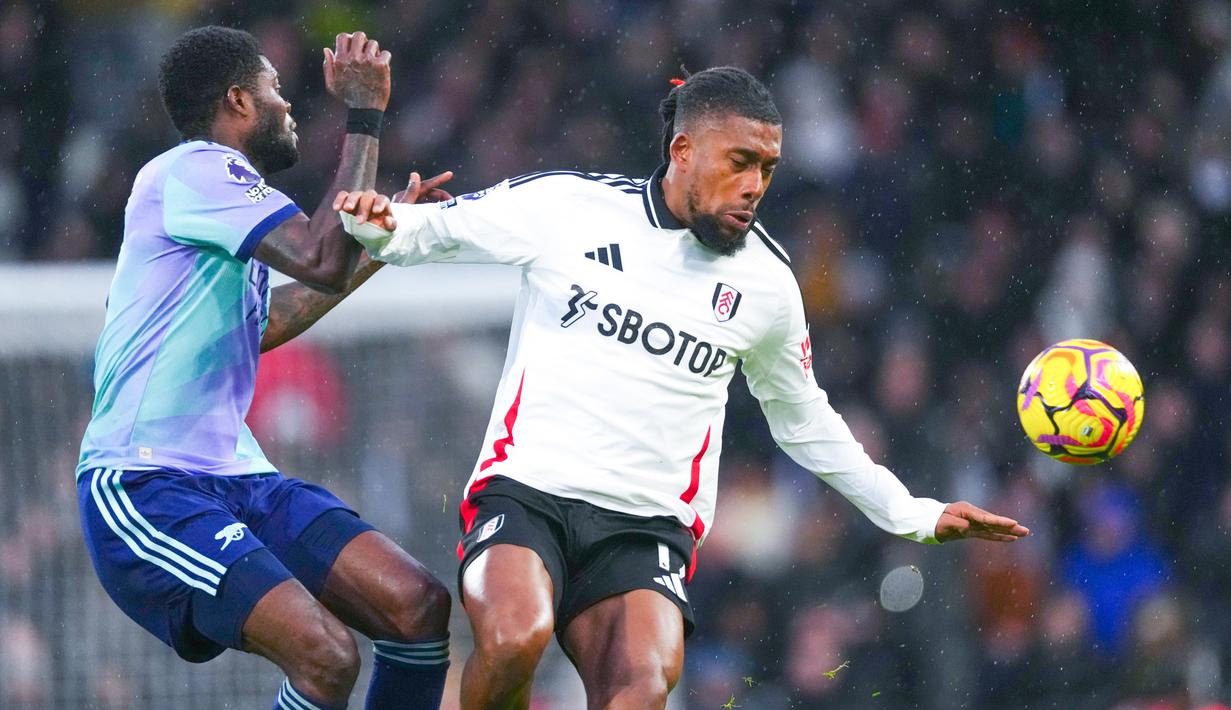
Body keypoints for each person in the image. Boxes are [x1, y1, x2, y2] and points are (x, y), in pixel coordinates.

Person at [335, 66, 1031, 709]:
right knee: (515, 636)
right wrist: (374, 215)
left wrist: (911, 513)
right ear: (683, 151)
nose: (755, 185)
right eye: (739, 163)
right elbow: (424, 231)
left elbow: (803, 421)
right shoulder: (568, 208)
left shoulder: (765, 285)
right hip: (528, 496)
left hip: (644, 532)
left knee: (643, 685)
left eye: (767, 168)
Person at [76, 26, 454, 710]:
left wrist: (381, 243)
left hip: (239, 478)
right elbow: (320, 258)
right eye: (276, 90)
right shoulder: (196, 169)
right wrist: (364, 114)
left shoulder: (215, 204)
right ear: (238, 102)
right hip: (146, 482)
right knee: (326, 656)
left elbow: (271, 322)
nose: (289, 106)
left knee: (416, 606)